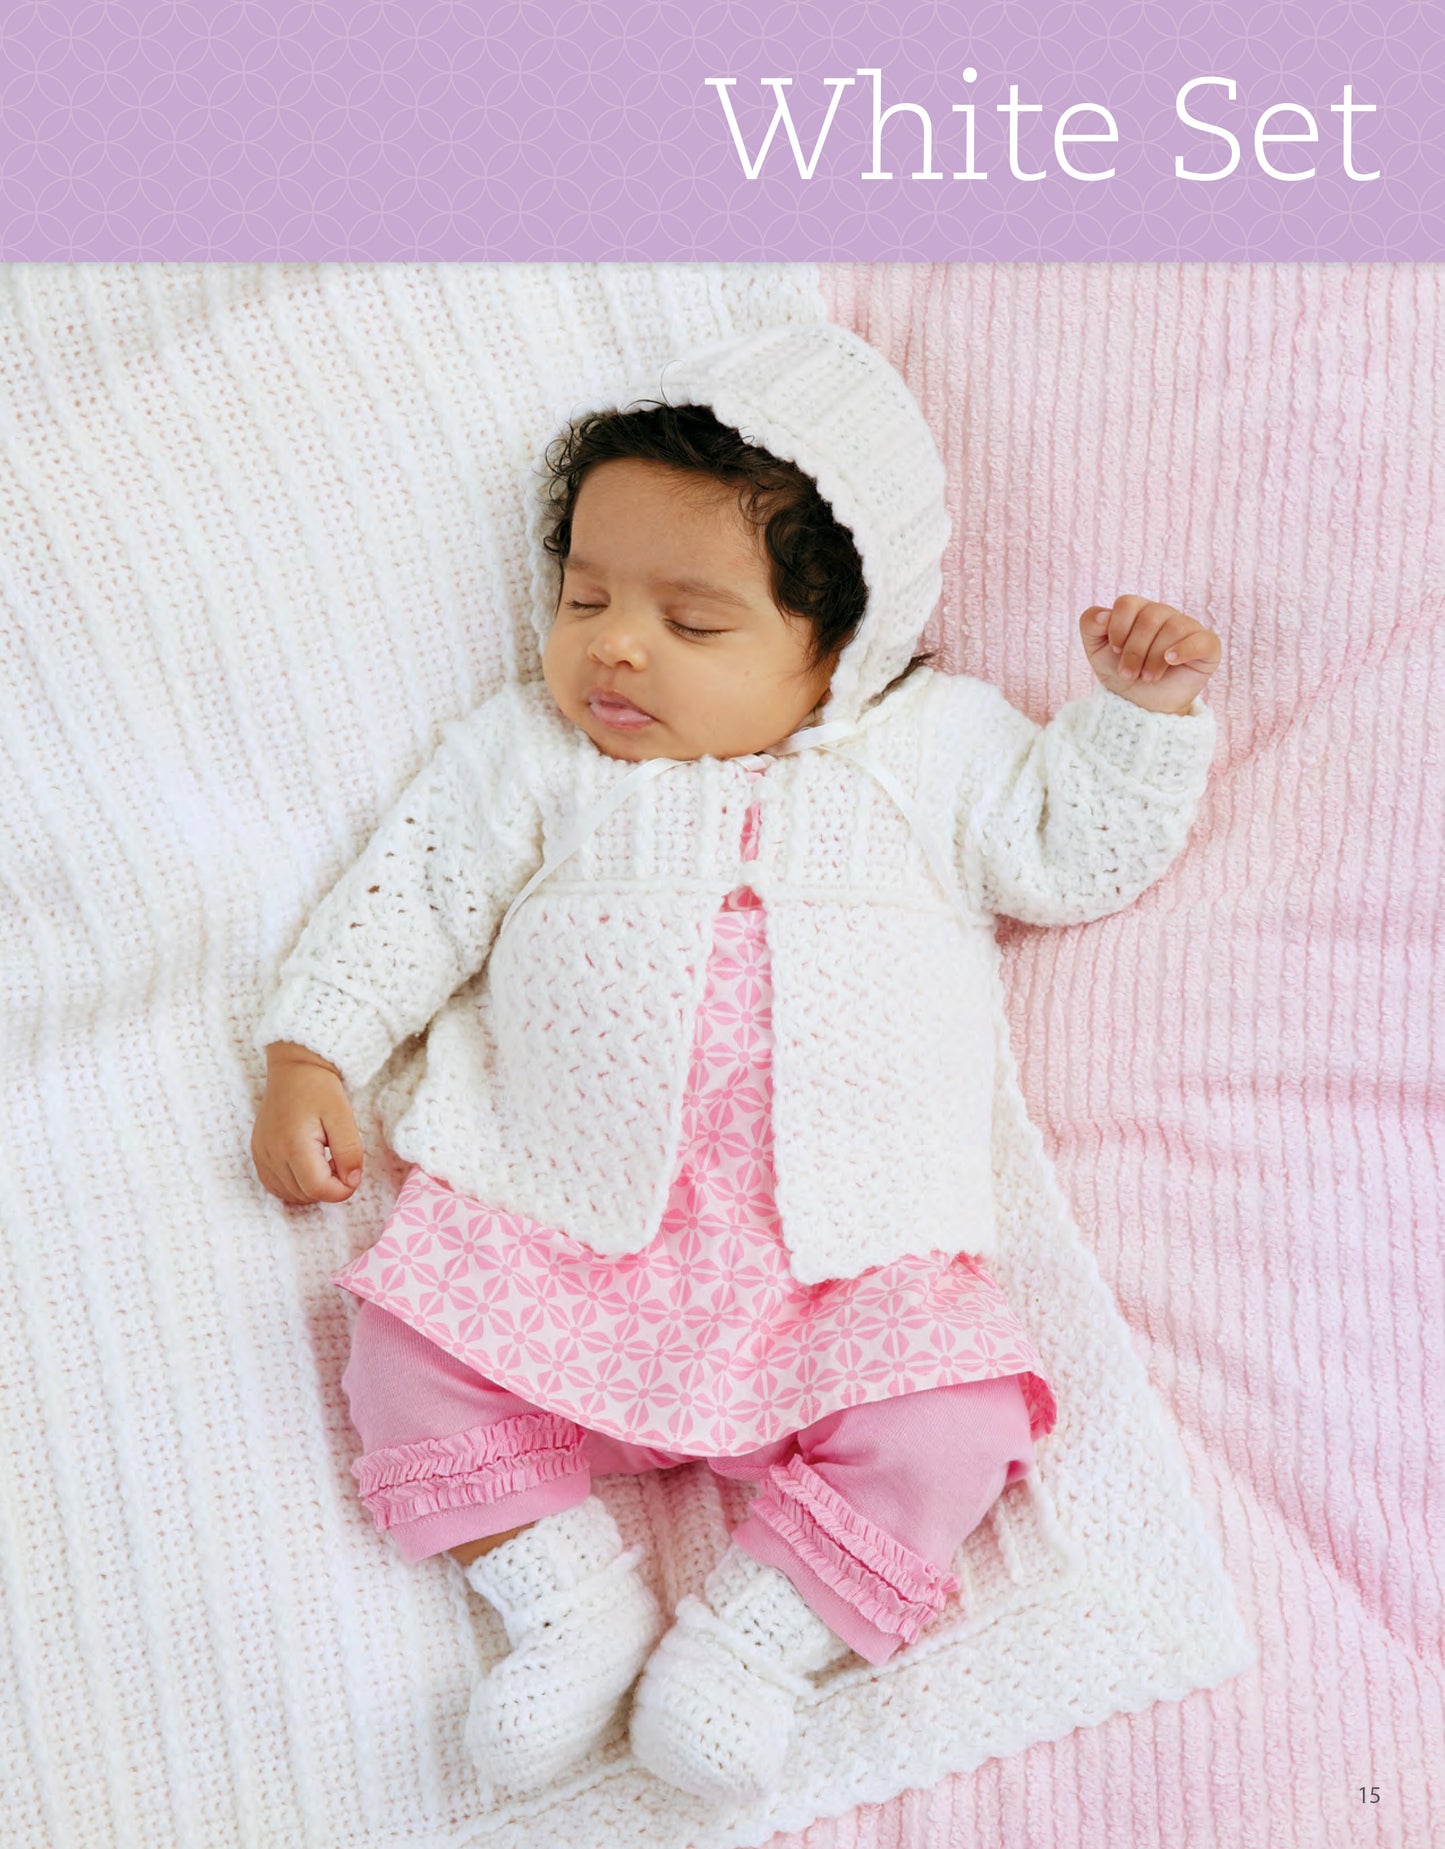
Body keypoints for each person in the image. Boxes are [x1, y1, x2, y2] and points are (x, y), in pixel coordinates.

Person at [250, 323, 1222, 1808]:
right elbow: (413, 896)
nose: (615, 646)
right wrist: (313, 1049)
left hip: (844, 1260)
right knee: (404, 1346)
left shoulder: (932, 751)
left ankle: (755, 1643)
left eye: (692, 623)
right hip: (558, 1227)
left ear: (844, 642)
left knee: (953, 1420)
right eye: (584, 598)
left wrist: (1136, 720)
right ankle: (563, 1599)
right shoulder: (531, 759)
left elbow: (1064, 850)